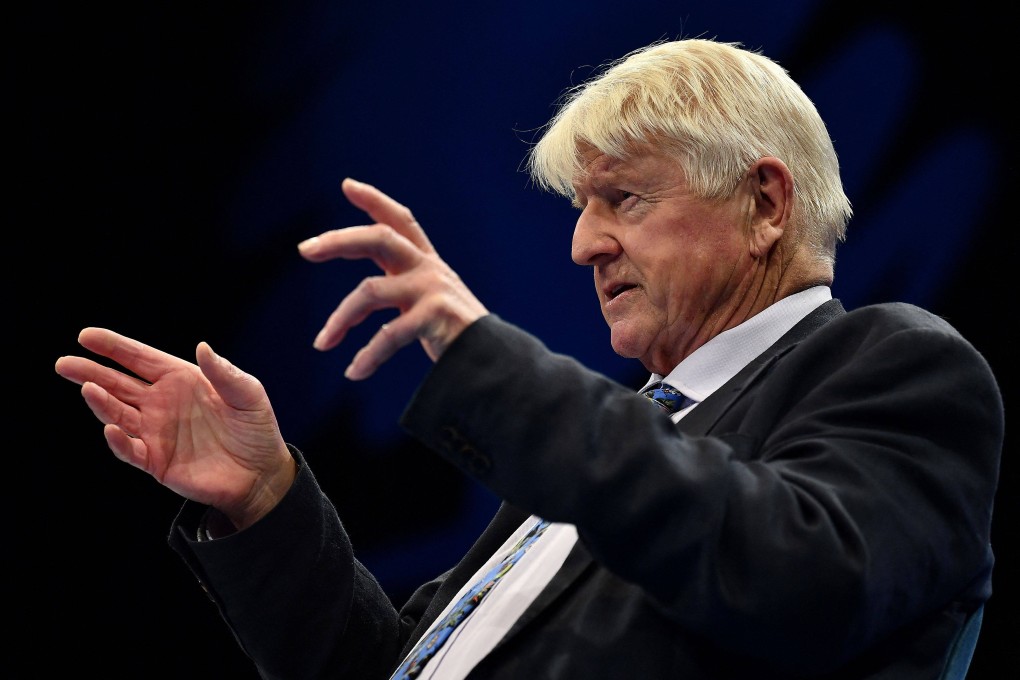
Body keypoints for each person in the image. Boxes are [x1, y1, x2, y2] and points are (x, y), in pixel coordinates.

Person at [54, 38, 1003, 679]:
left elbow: (799, 582)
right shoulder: (629, 442)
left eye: (623, 200)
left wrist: (485, 359)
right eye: (579, 210)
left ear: (764, 204)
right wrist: (263, 498)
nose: (583, 246)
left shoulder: (893, 366)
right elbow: (394, 663)